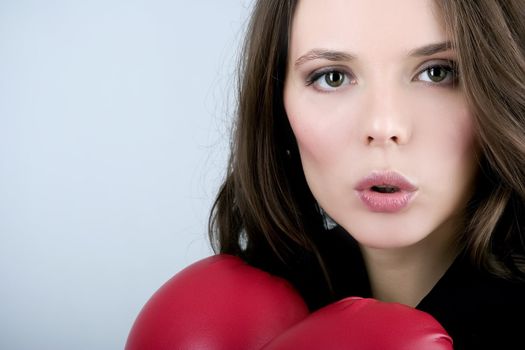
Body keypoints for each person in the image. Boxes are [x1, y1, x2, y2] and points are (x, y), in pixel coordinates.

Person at [126, 0, 525, 349]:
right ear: (277, 106)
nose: (383, 125)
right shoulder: (255, 316)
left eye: (437, 72)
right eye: (332, 76)